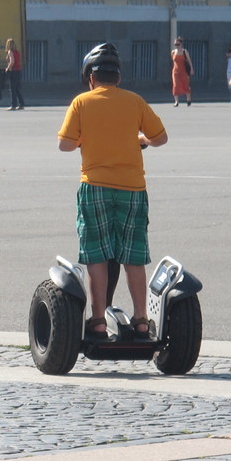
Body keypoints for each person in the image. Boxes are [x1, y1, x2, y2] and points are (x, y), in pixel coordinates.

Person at [57, 43, 168, 341]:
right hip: (132, 188)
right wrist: (140, 138)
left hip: (94, 186)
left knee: (97, 255)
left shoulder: (82, 102)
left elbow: (65, 144)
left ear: (90, 78)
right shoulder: (135, 101)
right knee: (133, 256)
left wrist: (86, 139)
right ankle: (142, 320)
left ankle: (97, 321)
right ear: (117, 77)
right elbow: (161, 138)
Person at [170, 37, 192, 107]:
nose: (176, 45)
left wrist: (191, 69)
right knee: (175, 85)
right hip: (175, 72)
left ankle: (188, 98)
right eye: (175, 44)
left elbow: (189, 61)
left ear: (181, 44)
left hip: (184, 71)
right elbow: (173, 62)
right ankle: (176, 101)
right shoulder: (173, 52)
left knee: (185, 85)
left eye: (178, 44)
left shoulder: (184, 52)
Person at [3, 37, 25, 110]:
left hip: (14, 71)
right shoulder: (17, 51)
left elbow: (12, 61)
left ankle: (13, 105)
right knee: (17, 88)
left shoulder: (10, 52)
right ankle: (21, 104)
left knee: (12, 89)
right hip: (18, 71)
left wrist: (8, 68)